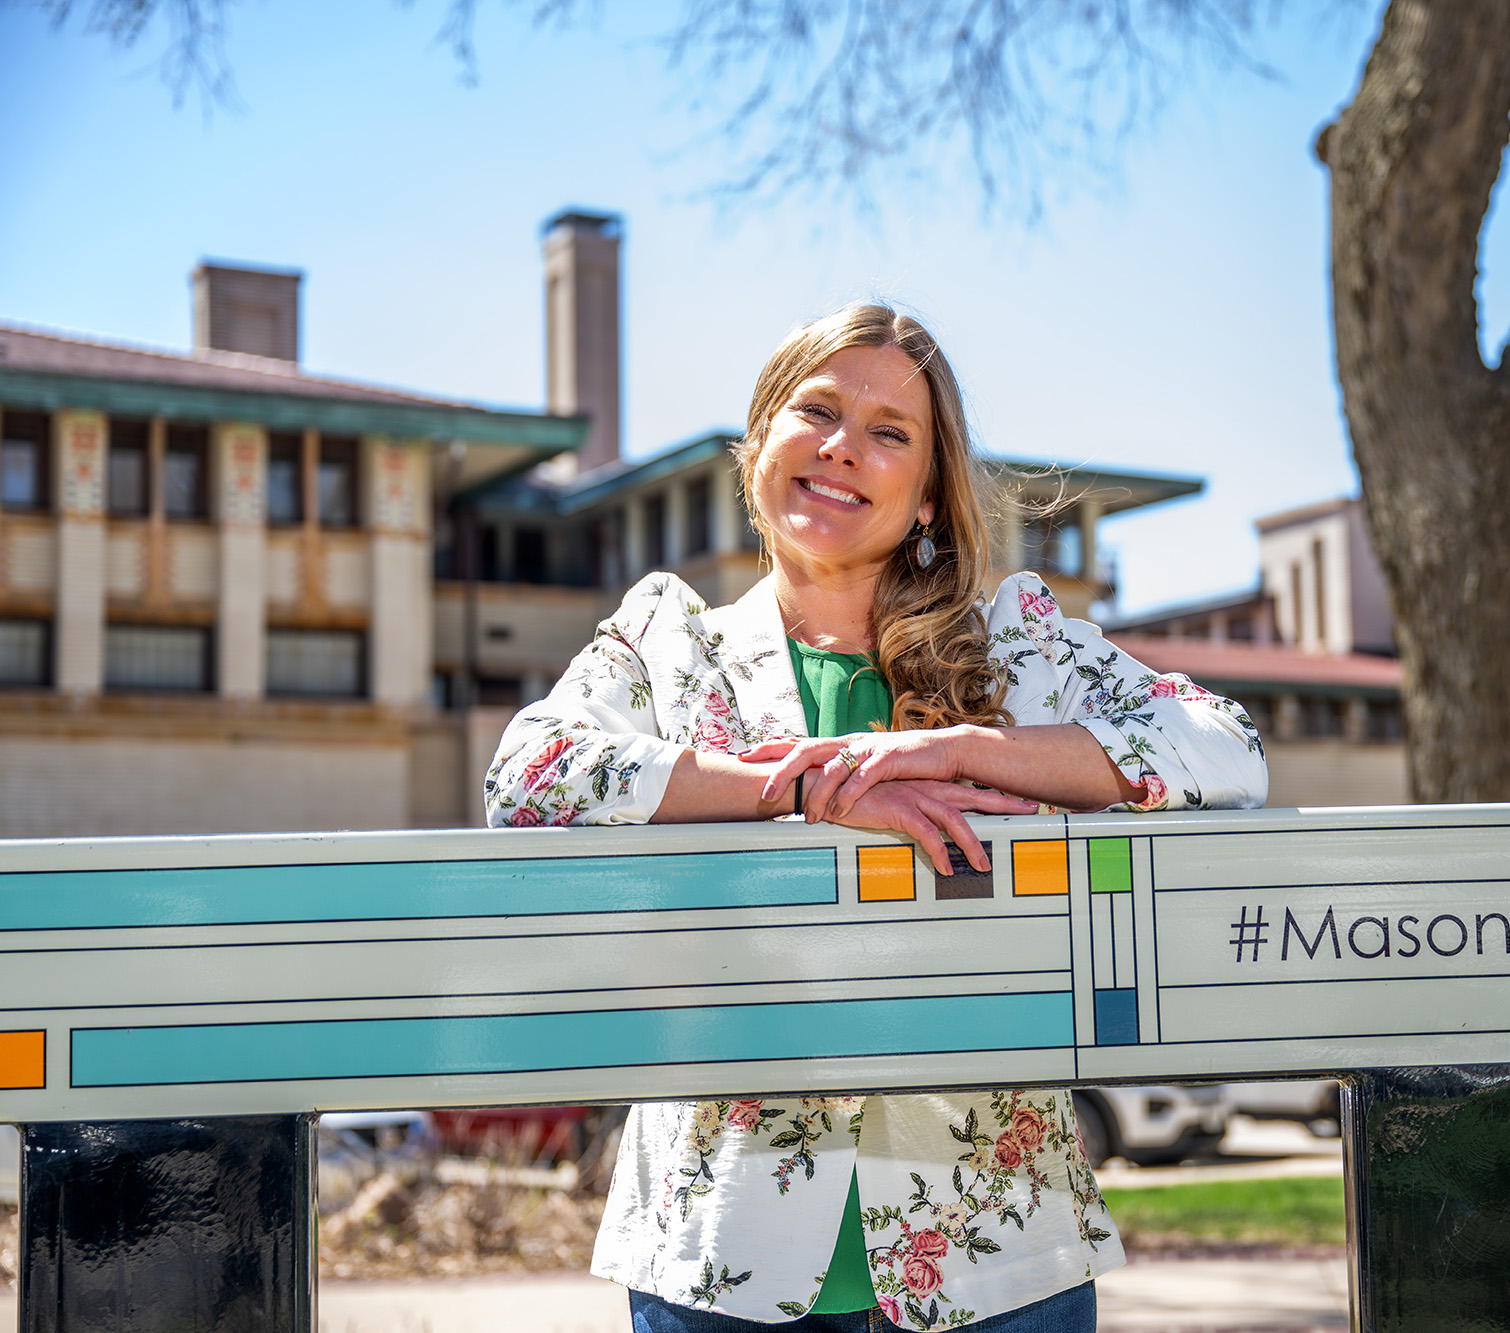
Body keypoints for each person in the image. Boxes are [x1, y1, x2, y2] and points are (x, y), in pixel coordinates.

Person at [485, 304, 1267, 1331]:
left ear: (931, 492)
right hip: (720, 1259)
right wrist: (801, 786)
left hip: (999, 1257)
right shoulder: (667, 641)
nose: (843, 446)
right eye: (815, 410)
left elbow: (1226, 749)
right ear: (757, 443)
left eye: (889, 431)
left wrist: (953, 748)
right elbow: (527, 777)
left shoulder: (1019, 646)